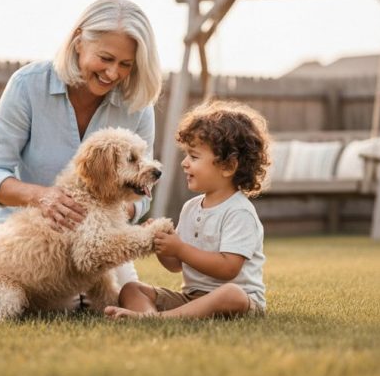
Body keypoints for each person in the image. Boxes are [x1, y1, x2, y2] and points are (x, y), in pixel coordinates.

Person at [0, 0, 163, 288]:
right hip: (24, 244)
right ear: (78, 42)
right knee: (59, 300)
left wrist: (100, 218)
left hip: (101, 237)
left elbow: (142, 192)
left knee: (129, 296)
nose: (113, 73)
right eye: (105, 58)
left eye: (126, 64)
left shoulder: (137, 104)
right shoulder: (27, 85)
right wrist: (42, 197)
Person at [104, 100, 270, 319]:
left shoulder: (239, 212)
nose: (184, 163)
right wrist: (162, 245)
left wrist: (180, 248)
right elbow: (176, 266)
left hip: (237, 301)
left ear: (228, 166)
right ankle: (148, 316)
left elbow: (228, 268)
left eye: (194, 156)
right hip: (192, 298)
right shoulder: (191, 208)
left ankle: (156, 319)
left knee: (232, 293)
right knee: (131, 288)